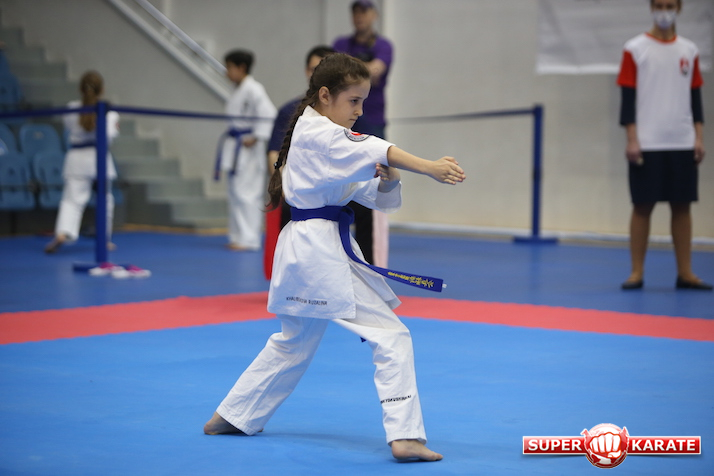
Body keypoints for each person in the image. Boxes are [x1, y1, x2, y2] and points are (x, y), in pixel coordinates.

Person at [204, 53, 465, 461]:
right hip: (319, 253)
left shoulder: (321, 135)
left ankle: (233, 414)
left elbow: (373, 196)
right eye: (353, 101)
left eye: (363, 102)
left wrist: (389, 179)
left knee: (294, 342)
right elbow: (378, 146)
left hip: (307, 249)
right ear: (325, 95)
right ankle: (405, 436)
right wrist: (428, 167)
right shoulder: (320, 134)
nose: (359, 111)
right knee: (391, 336)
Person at [617, 0, 711, 291]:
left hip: (681, 140)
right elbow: (628, 99)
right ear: (651, 7)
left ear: (679, 8)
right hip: (647, 142)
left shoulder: (689, 50)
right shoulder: (634, 49)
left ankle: (686, 273)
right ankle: (636, 272)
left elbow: (695, 97)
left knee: (682, 207)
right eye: (659, 5)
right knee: (642, 206)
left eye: (670, 5)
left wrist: (698, 137)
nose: (664, 10)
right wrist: (632, 138)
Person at [264, 45, 335, 279]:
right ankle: (289, 281)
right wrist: (283, 184)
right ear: (307, 71)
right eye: (315, 69)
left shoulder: (346, 111)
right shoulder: (289, 111)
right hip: (299, 192)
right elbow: (274, 153)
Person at [333, 0, 394, 267]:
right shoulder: (340, 43)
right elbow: (338, 73)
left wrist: (350, 70)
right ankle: (340, 259)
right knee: (340, 191)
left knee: (373, 194)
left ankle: (372, 265)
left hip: (372, 125)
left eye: (364, 12)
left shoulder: (384, 46)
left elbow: (375, 72)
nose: (359, 17)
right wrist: (364, 69)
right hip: (343, 127)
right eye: (356, 12)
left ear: (374, 15)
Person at [45, 71, 119, 254]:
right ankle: (104, 239)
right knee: (105, 200)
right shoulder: (109, 113)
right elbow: (109, 136)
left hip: (77, 159)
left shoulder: (71, 108)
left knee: (72, 200)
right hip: (99, 159)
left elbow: (69, 127)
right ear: (102, 89)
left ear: (80, 89)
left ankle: (63, 233)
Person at [216, 49, 276, 251]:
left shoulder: (254, 89)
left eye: (229, 67)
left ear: (241, 67)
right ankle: (238, 236)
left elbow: (269, 114)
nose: (226, 72)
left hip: (249, 149)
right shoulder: (240, 89)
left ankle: (249, 239)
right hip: (236, 146)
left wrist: (257, 136)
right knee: (235, 193)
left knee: (247, 194)